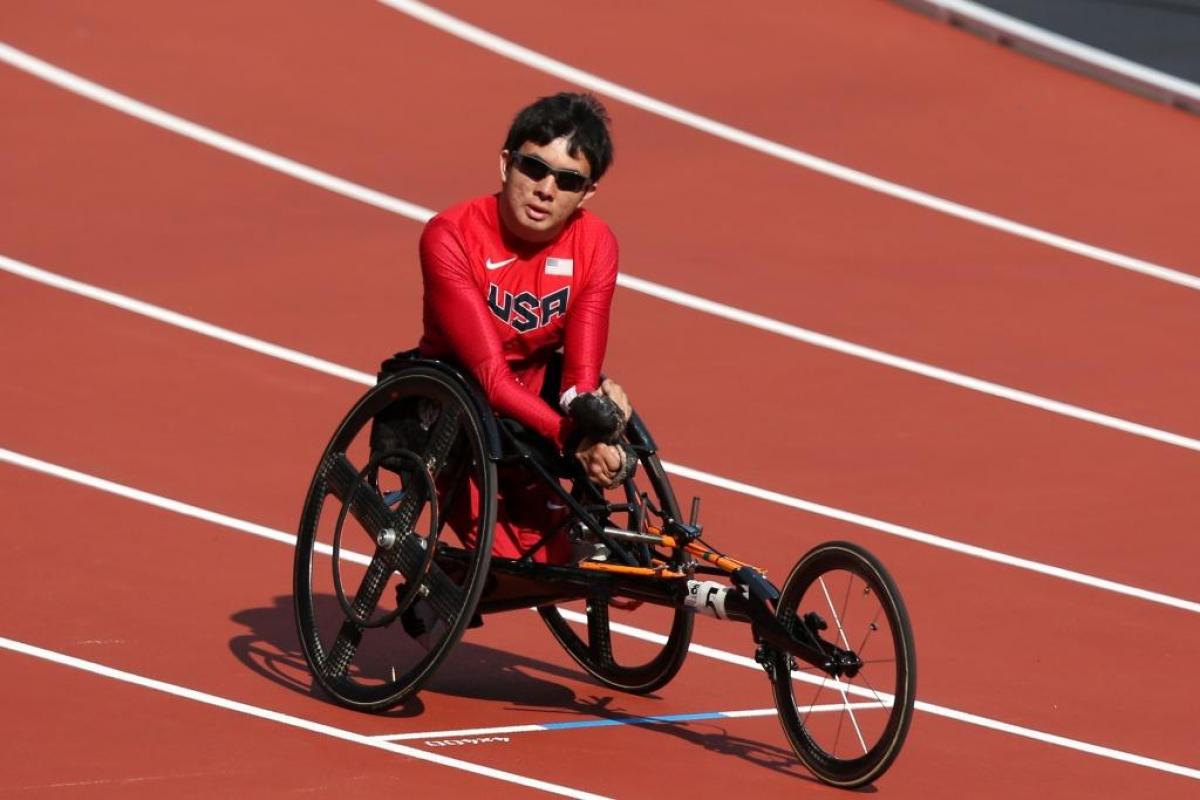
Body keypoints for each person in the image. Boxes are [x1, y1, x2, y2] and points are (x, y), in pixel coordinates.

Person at [416, 91, 632, 564]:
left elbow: (578, 378)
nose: (546, 189)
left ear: (587, 193)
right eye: (534, 168)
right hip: (457, 400)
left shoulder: (596, 244)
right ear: (505, 164)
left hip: (536, 397)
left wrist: (594, 425)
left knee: (601, 570)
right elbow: (490, 378)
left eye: (568, 180)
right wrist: (571, 439)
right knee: (514, 561)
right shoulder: (449, 235)